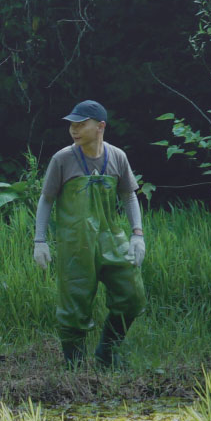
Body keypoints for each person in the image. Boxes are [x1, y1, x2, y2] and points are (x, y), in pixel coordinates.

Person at [31, 100, 146, 365]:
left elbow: (129, 196)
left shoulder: (117, 156)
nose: (74, 129)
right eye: (72, 124)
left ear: (100, 126)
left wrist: (137, 235)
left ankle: (107, 351)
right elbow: (46, 199)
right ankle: (74, 364)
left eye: (81, 124)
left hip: (111, 238)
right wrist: (40, 241)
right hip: (75, 243)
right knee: (74, 305)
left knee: (132, 295)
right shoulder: (62, 159)